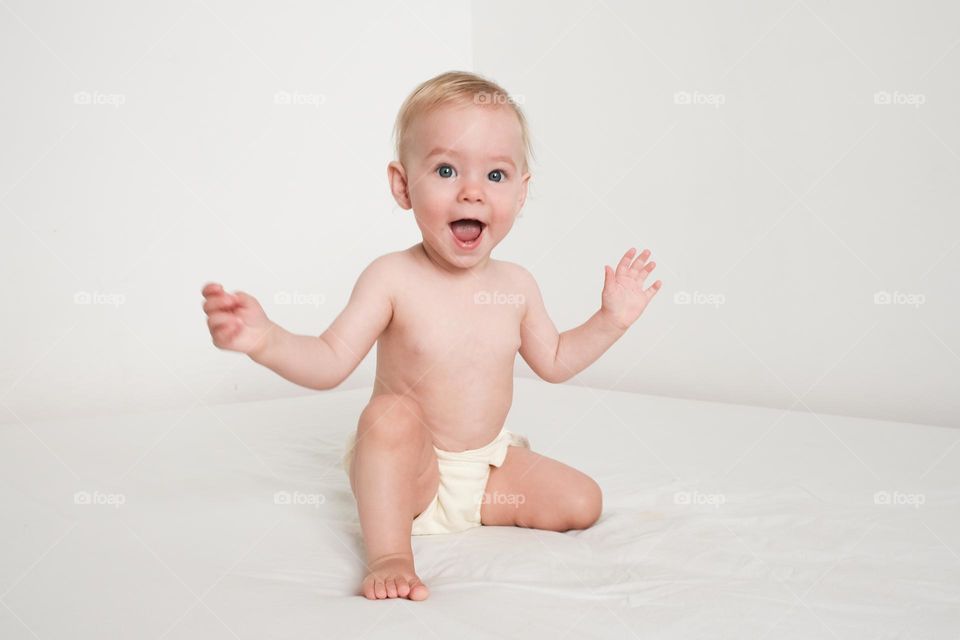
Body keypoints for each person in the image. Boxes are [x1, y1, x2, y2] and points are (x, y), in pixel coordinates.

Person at [201, 70, 662, 601]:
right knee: (389, 416)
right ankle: (391, 550)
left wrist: (612, 319)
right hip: (409, 472)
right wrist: (265, 339)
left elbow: (556, 360)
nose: (472, 191)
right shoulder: (392, 278)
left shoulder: (517, 286)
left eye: (496, 175)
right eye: (446, 170)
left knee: (583, 502)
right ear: (403, 186)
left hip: (485, 471)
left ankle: (476, 508)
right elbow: (328, 362)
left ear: (522, 191)